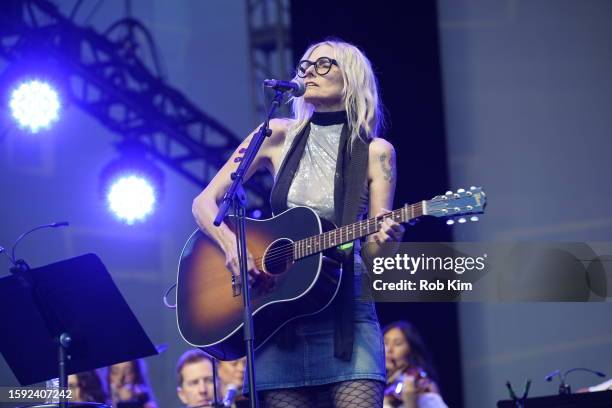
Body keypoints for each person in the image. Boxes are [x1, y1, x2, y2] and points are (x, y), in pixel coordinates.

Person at [192, 38, 405, 407]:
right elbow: (204, 203)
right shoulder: (275, 134)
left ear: (351, 77)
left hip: (346, 317)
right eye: (306, 65)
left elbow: (374, 256)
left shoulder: (376, 153)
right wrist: (234, 249)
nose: (310, 71)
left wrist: (389, 237)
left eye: (324, 64)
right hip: (279, 315)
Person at [383, 321, 448, 408]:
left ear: (411, 350)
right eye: (385, 343)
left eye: (397, 344)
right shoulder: (385, 380)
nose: (389, 350)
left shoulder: (421, 384)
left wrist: (411, 404)